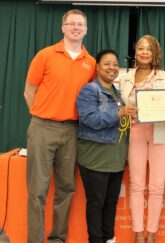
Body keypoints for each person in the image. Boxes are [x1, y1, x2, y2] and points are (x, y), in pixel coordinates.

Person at [23, 9, 96, 243]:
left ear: (85, 30)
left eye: (80, 24)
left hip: (72, 131)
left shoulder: (91, 63)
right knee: (37, 191)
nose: (76, 27)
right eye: (71, 23)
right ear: (63, 27)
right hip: (42, 128)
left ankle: (58, 239)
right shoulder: (45, 55)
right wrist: (43, 115)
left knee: (66, 189)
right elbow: (29, 91)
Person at [76, 49, 137, 243]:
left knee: (111, 203)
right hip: (95, 158)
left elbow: (121, 126)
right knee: (96, 203)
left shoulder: (116, 92)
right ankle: (95, 239)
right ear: (97, 67)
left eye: (115, 64)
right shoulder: (89, 90)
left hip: (116, 159)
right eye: (107, 63)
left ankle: (108, 238)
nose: (112, 67)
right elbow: (90, 119)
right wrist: (119, 114)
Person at [119, 35, 165, 243]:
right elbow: (117, 105)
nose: (144, 52)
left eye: (148, 49)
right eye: (140, 48)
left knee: (157, 186)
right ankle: (138, 233)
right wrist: (125, 109)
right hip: (135, 132)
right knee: (136, 185)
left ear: (155, 53)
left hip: (160, 133)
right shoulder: (124, 77)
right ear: (135, 52)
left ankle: (152, 233)